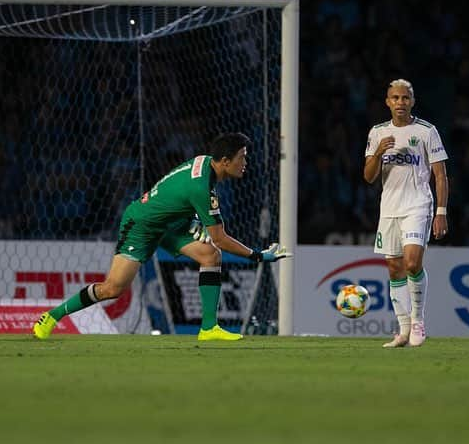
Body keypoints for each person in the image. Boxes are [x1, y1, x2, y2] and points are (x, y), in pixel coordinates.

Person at [33, 132, 290, 342]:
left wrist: (192, 222)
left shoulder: (205, 164)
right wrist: (258, 255)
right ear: (224, 161)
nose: (245, 162)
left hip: (170, 223)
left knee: (210, 255)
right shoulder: (201, 187)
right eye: (241, 157)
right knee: (113, 289)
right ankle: (52, 316)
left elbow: (173, 195)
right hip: (142, 225)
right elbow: (220, 237)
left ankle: (209, 328)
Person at [363, 79, 448, 348]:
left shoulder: (426, 131)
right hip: (389, 208)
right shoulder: (377, 133)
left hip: (418, 205)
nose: (400, 102)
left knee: (412, 263)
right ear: (387, 102)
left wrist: (441, 212)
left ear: (412, 101)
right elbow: (368, 177)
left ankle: (418, 321)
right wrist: (377, 153)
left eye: (405, 98)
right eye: (395, 98)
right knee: (394, 267)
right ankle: (402, 329)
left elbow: (440, 175)